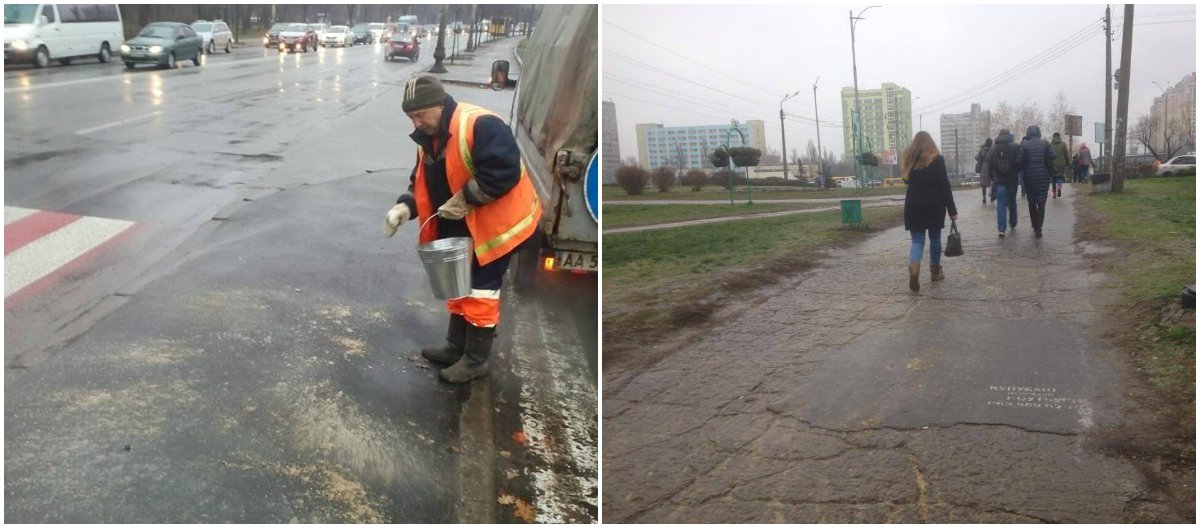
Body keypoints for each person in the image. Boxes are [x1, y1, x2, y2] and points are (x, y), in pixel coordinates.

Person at [383, 74, 542, 383]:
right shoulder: (429, 137)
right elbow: (423, 181)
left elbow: (503, 171)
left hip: (498, 225)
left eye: (420, 115)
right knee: (459, 283)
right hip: (466, 224)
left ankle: (475, 360)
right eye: (410, 117)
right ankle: (456, 347)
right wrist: (405, 207)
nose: (416, 123)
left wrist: (465, 198)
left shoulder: (481, 125)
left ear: (439, 106)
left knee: (481, 290)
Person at [901, 131, 958, 292]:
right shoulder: (937, 160)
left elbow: (906, 180)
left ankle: (914, 270)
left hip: (914, 205)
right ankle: (935, 272)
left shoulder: (910, 161)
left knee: (917, 242)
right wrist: (952, 210)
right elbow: (944, 186)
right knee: (935, 238)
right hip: (934, 205)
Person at [985, 128, 1025, 237]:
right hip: (1012, 179)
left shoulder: (993, 148)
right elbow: (1020, 161)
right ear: (1009, 136)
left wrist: (992, 177)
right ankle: (1013, 223)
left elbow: (989, 165)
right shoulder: (1015, 147)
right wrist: (1017, 171)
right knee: (1012, 201)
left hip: (999, 181)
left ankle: (1001, 229)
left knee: (1001, 203)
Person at [1018, 126, 1056, 238]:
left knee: (1031, 202)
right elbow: (1053, 155)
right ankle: (1039, 227)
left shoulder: (1023, 145)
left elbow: (1018, 161)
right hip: (1043, 177)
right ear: (1039, 133)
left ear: (1028, 133)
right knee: (1041, 202)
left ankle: (1034, 225)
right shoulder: (1046, 143)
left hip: (1029, 177)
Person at [1049, 132, 1070, 198]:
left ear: (1053, 136)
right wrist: (1067, 163)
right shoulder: (1063, 144)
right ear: (1059, 136)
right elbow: (1066, 155)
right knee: (1060, 177)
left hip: (1052, 164)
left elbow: (1048, 155)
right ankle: (1059, 188)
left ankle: (1054, 193)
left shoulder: (1050, 145)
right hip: (1061, 164)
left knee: (1053, 179)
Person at [974, 138, 994, 204]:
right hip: (990, 168)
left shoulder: (982, 149)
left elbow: (976, 157)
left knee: (983, 185)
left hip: (983, 168)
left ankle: (984, 197)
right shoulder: (992, 149)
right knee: (992, 183)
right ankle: (991, 196)